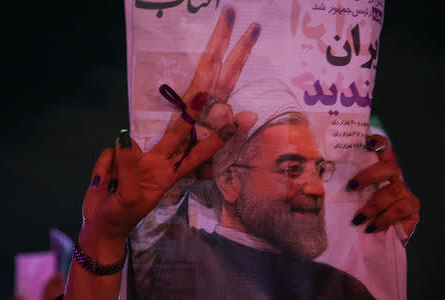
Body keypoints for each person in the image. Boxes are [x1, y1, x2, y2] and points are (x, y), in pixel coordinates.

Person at [61, 5, 420, 300]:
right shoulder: (178, 263)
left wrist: (377, 246)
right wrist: (104, 236)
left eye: (320, 169)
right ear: (229, 180)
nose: (315, 189)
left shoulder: (344, 288)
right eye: (292, 169)